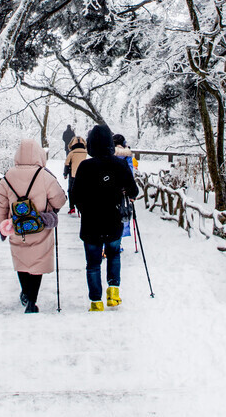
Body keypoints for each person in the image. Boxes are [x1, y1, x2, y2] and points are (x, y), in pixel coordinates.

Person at [0, 139, 67, 313]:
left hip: (17, 227)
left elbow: (1, 204)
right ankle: (32, 301)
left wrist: (2, 222)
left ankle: (26, 293)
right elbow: (59, 200)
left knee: (21, 260)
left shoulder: (8, 176)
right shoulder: (44, 175)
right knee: (37, 262)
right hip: (39, 226)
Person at [73, 124, 138, 311]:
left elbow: (75, 195)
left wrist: (84, 209)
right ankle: (113, 292)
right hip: (113, 219)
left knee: (93, 263)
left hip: (91, 223)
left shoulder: (85, 166)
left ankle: (96, 302)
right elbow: (134, 191)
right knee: (113, 255)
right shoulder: (119, 165)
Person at [63, 135, 88, 216]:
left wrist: (65, 174)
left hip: (73, 174)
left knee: (71, 190)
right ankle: (82, 207)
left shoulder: (72, 153)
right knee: (83, 191)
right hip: (84, 175)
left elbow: (67, 164)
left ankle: (72, 207)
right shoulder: (86, 153)